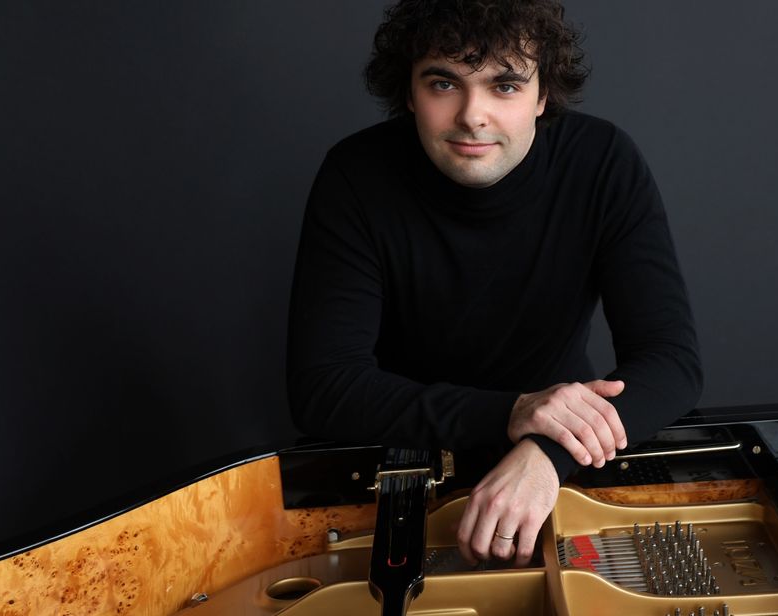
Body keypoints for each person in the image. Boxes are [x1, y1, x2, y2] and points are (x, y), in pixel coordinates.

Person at [286, 0, 702, 568]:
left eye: (505, 86)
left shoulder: (602, 161)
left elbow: (671, 362)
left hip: (562, 467)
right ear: (409, 93)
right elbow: (324, 387)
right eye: (443, 84)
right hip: (399, 472)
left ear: (542, 95)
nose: (472, 116)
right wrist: (512, 412)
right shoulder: (356, 174)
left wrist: (547, 452)